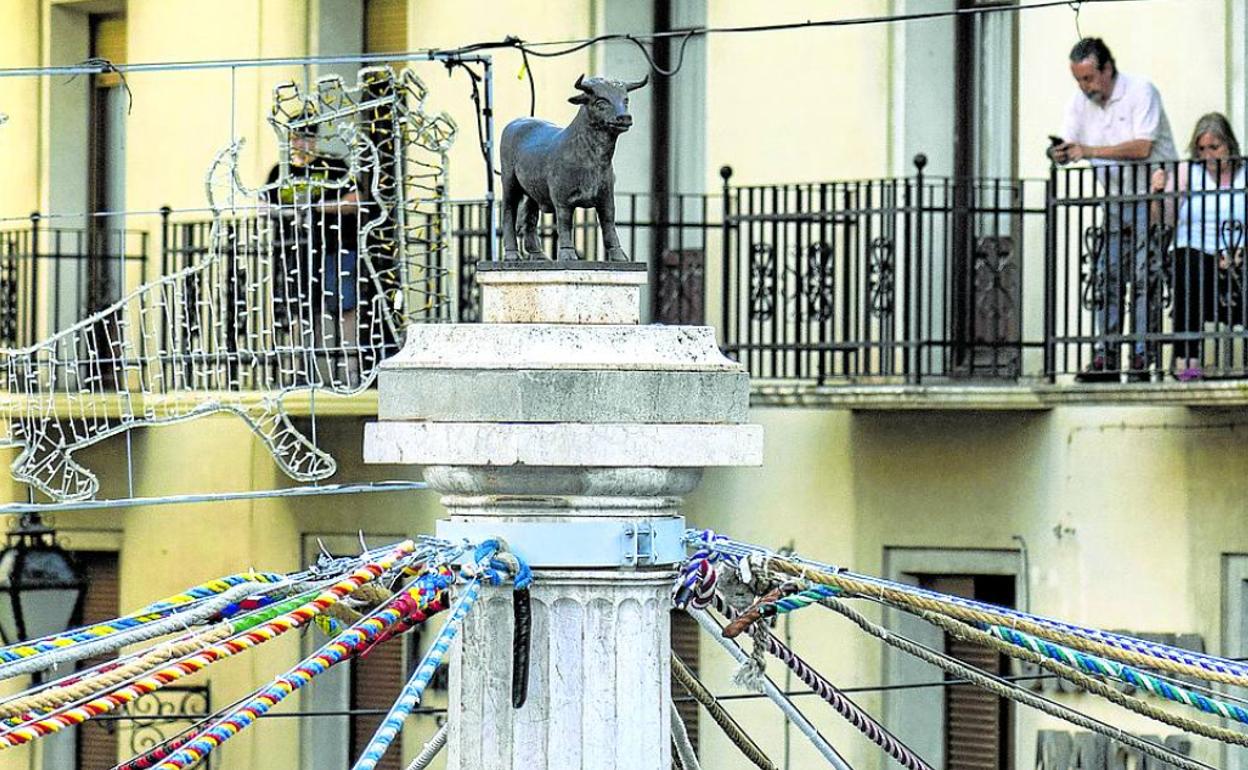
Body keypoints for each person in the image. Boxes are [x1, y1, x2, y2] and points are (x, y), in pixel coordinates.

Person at [1049, 37, 1177, 382]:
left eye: (1089, 78)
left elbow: (1142, 147)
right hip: (1117, 199)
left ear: (1107, 69)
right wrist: (1059, 153)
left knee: (1142, 276)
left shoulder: (1140, 91)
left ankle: (1140, 357)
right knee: (1106, 274)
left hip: (1152, 194)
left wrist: (1087, 149)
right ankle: (1105, 357)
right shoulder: (1079, 102)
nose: (1084, 86)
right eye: (1078, 79)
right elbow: (1068, 141)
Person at [265, 120, 365, 386]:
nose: (301, 143)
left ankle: (349, 371)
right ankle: (303, 371)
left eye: (307, 138)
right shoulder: (281, 171)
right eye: (297, 138)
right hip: (295, 252)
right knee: (303, 311)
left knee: (344, 307)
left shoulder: (333, 166)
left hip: (334, 247)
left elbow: (355, 200)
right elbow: (263, 206)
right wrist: (291, 212)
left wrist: (320, 207)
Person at [1150, 113, 1246, 381]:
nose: (1208, 156)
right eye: (1202, 149)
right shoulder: (1187, 172)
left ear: (1229, 145)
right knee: (1188, 272)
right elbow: (1165, 219)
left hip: (1236, 252)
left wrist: (1240, 251)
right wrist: (1157, 194)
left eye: (1214, 147)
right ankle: (1188, 363)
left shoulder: (1245, 173)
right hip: (1194, 249)